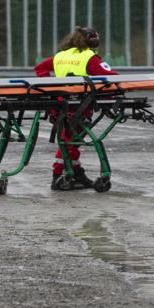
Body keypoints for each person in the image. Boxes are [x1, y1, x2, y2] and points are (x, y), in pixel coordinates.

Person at [35, 26, 119, 190]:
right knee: (69, 140)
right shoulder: (89, 57)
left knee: (70, 139)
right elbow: (107, 77)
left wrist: (51, 87)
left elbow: (40, 68)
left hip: (60, 104)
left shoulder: (60, 56)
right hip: (80, 105)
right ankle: (60, 174)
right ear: (92, 41)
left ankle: (74, 172)